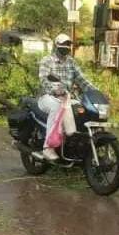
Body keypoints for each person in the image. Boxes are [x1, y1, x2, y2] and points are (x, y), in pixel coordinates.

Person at [37, 33, 94, 162]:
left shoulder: (71, 62)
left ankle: (75, 146)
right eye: (63, 44)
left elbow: (82, 80)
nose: (66, 47)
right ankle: (48, 147)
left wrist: (96, 92)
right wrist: (56, 90)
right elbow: (44, 80)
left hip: (67, 98)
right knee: (57, 107)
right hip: (47, 97)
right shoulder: (47, 60)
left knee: (82, 110)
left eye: (68, 44)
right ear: (56, 45)